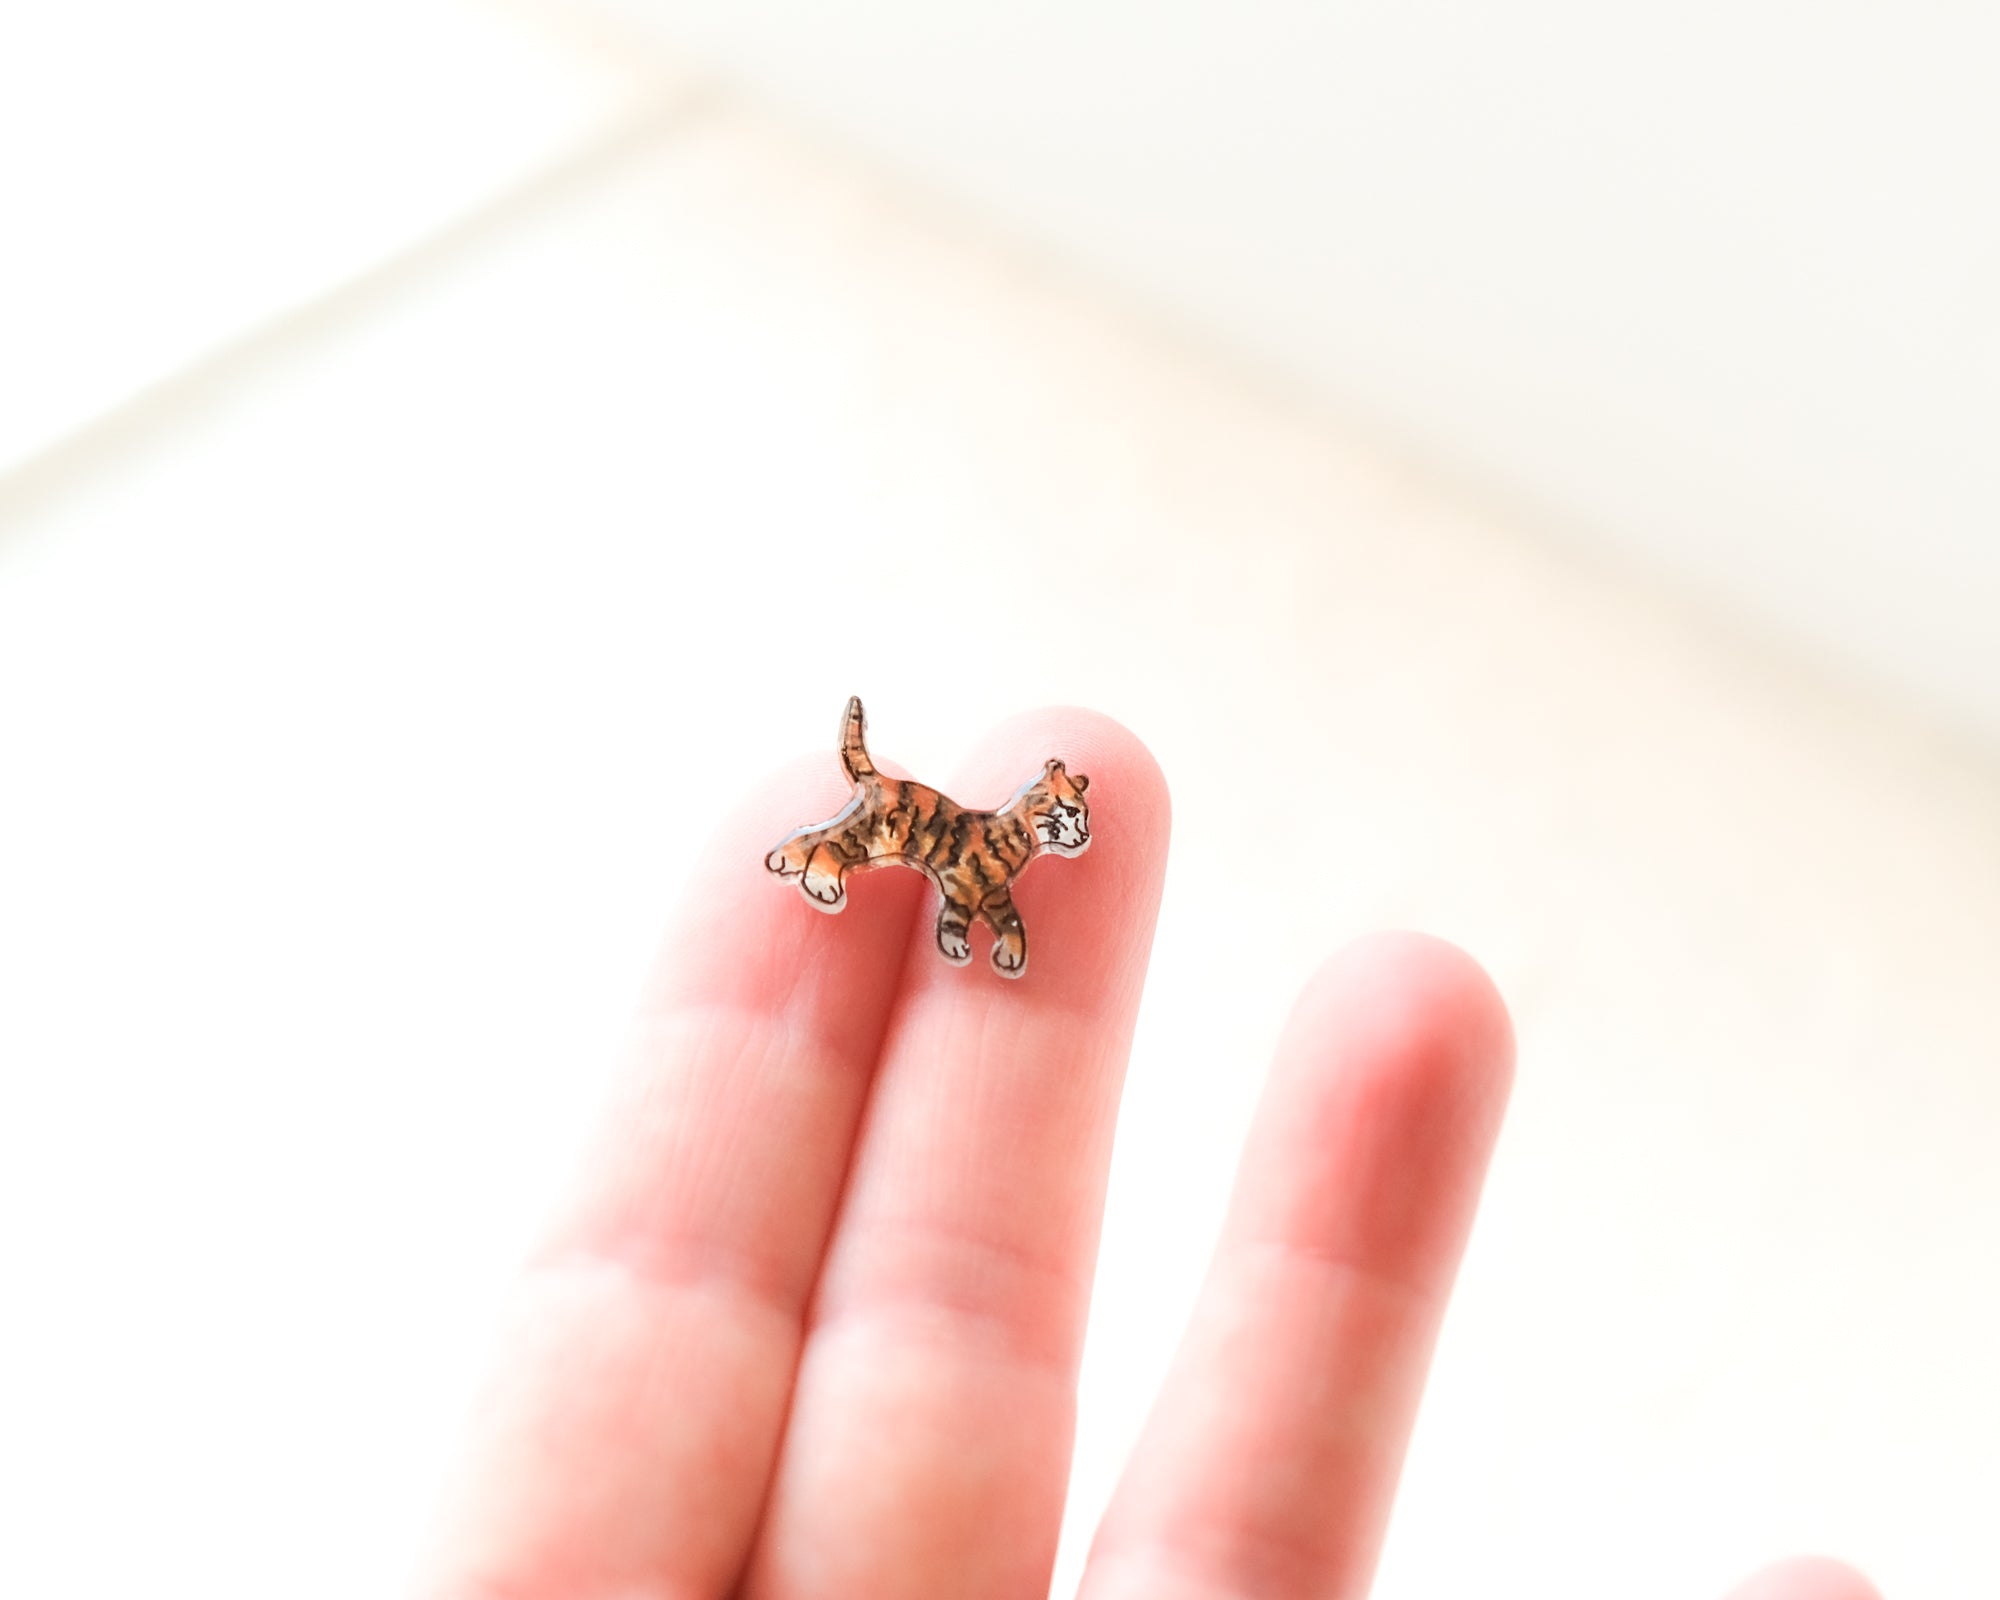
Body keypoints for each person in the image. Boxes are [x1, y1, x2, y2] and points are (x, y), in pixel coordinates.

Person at [416, 710, 1877, 1600]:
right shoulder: (980, 850)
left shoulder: (1012, 851)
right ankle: (819, 855)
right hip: (914, 866)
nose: (1047, 837)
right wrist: (966, 913)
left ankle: (829, 853)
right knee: (882, 842)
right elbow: (969, 895)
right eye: (1048, 825)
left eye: (1052, 828)